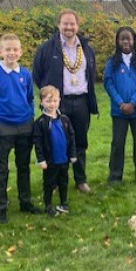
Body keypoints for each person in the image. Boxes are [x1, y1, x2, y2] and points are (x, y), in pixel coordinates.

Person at [33, 10, 98, 193]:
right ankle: (53, 182)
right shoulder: (47, 48)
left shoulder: (85, 48)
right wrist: (50, 97)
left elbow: (91, 74)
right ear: (58, 24)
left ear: (78, 26)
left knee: (80, 142)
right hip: (58, 104)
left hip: (81, 102)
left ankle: (80, 179)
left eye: (72, 24)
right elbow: (38, 75)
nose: (69, 27)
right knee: (54, 142)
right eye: (65, 24)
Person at [0, 33, 42, 223]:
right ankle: (0, 208)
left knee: (23, 166)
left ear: (21, 52)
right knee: (0, 169)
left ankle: (25, 202)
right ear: (0, 52)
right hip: (2, 128)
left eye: (15, 49)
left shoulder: (25, 74)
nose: (12, 53)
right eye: (8, 49)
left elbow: (30, 98)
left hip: (24, 126)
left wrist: (29, 116)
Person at [103, 26, 136, 188]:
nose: (125, 41)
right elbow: (108, 83)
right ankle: (115, 176)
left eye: (128, 38)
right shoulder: (112, 63)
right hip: (119, 111)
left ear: (134, 41)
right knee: (117, 143)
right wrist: (120, 103)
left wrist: (132, 103)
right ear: (118, 41)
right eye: (122, 39)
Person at [33, 86, 78, 217]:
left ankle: (64, 202)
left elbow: (71, 137)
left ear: (59, 101)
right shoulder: (40, 122)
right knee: (49, 183)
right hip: (50, 161)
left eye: (55, 101)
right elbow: (38, 143)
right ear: (42, 102)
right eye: (48, 101)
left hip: (64, 159)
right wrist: (41, 159)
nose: (52, 104)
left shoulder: (65, 119)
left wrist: (73, 154)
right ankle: (48, 205)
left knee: (64, 181)